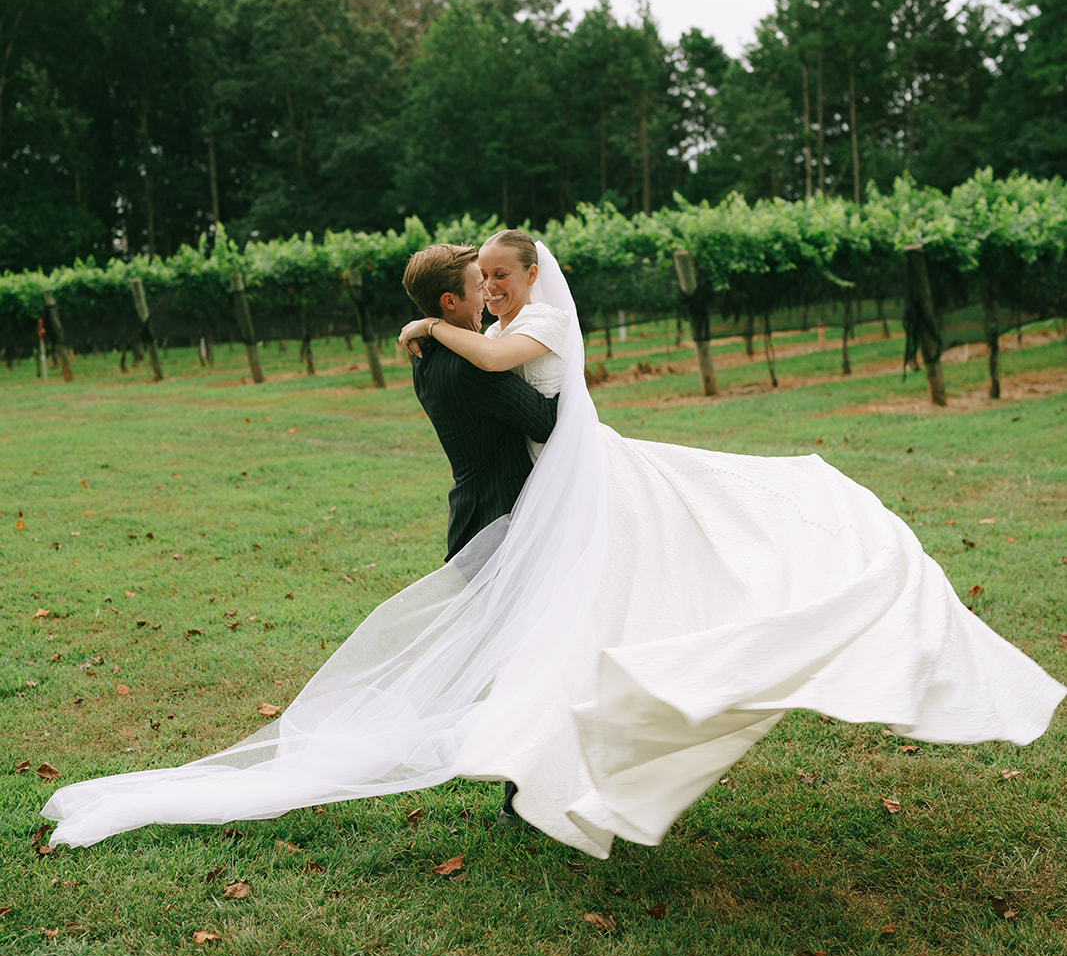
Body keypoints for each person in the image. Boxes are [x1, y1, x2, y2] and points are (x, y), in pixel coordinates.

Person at [41, 233, 1065, 854]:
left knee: (572, 623)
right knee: (547, 636)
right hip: (524, 504)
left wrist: (432, 331)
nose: (489, 287)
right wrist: (457, 339)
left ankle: (525, 774)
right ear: (455, 296)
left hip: (538, 497)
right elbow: (531, 416)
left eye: (498, 274)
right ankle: (526, 774)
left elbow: (508, 370)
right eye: (475, 280)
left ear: (525, 273)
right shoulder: (474, 350)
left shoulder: (482, 343)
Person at [399, 242, 559, 560]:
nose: (487, 294)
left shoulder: (424, 355)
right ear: (449, 301)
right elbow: (546, 422)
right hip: (502, 520)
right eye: (478, 286)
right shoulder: (469, 365)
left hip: (472, 517)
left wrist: (432, 325)